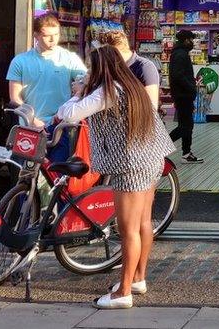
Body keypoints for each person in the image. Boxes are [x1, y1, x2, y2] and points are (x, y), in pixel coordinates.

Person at [56, 46, 175, 310]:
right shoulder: (131, 86)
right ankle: (138, 279)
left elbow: (69, 114)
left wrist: (78, 93)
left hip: (130, 166)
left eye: (91, 68)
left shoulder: (106, 92)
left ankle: (123, 292)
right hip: (152, 159)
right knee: (143, 223)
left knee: (127, 230)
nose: (88, 73)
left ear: (99, 68)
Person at [7, 13, 87, 162]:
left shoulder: (69, 58)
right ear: (36, 35)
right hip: (30, 127)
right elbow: (15, 98)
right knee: (26, 176)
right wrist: (32, 120)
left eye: (56, 34)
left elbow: (86, 81)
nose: (53, 40)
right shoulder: (20, 61)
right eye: (47, 36)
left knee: (58, 176)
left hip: (60, 127)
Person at [97, 30, 160, 107]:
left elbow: (151, 106)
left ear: (116, 51)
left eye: (106, 54)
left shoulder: (145, 67)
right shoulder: (109, 66)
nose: (103, 58)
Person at [168, 30, 202, 163]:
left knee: (187, 125)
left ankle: (186, 153)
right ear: (186, 40)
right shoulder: (181, 54)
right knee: (185, 126)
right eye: (191, 40)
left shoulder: (179, 53)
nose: (192, 42)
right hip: (183, 95)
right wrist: (191, 87)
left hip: (182, 95)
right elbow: (178, 75)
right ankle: (161, 148)